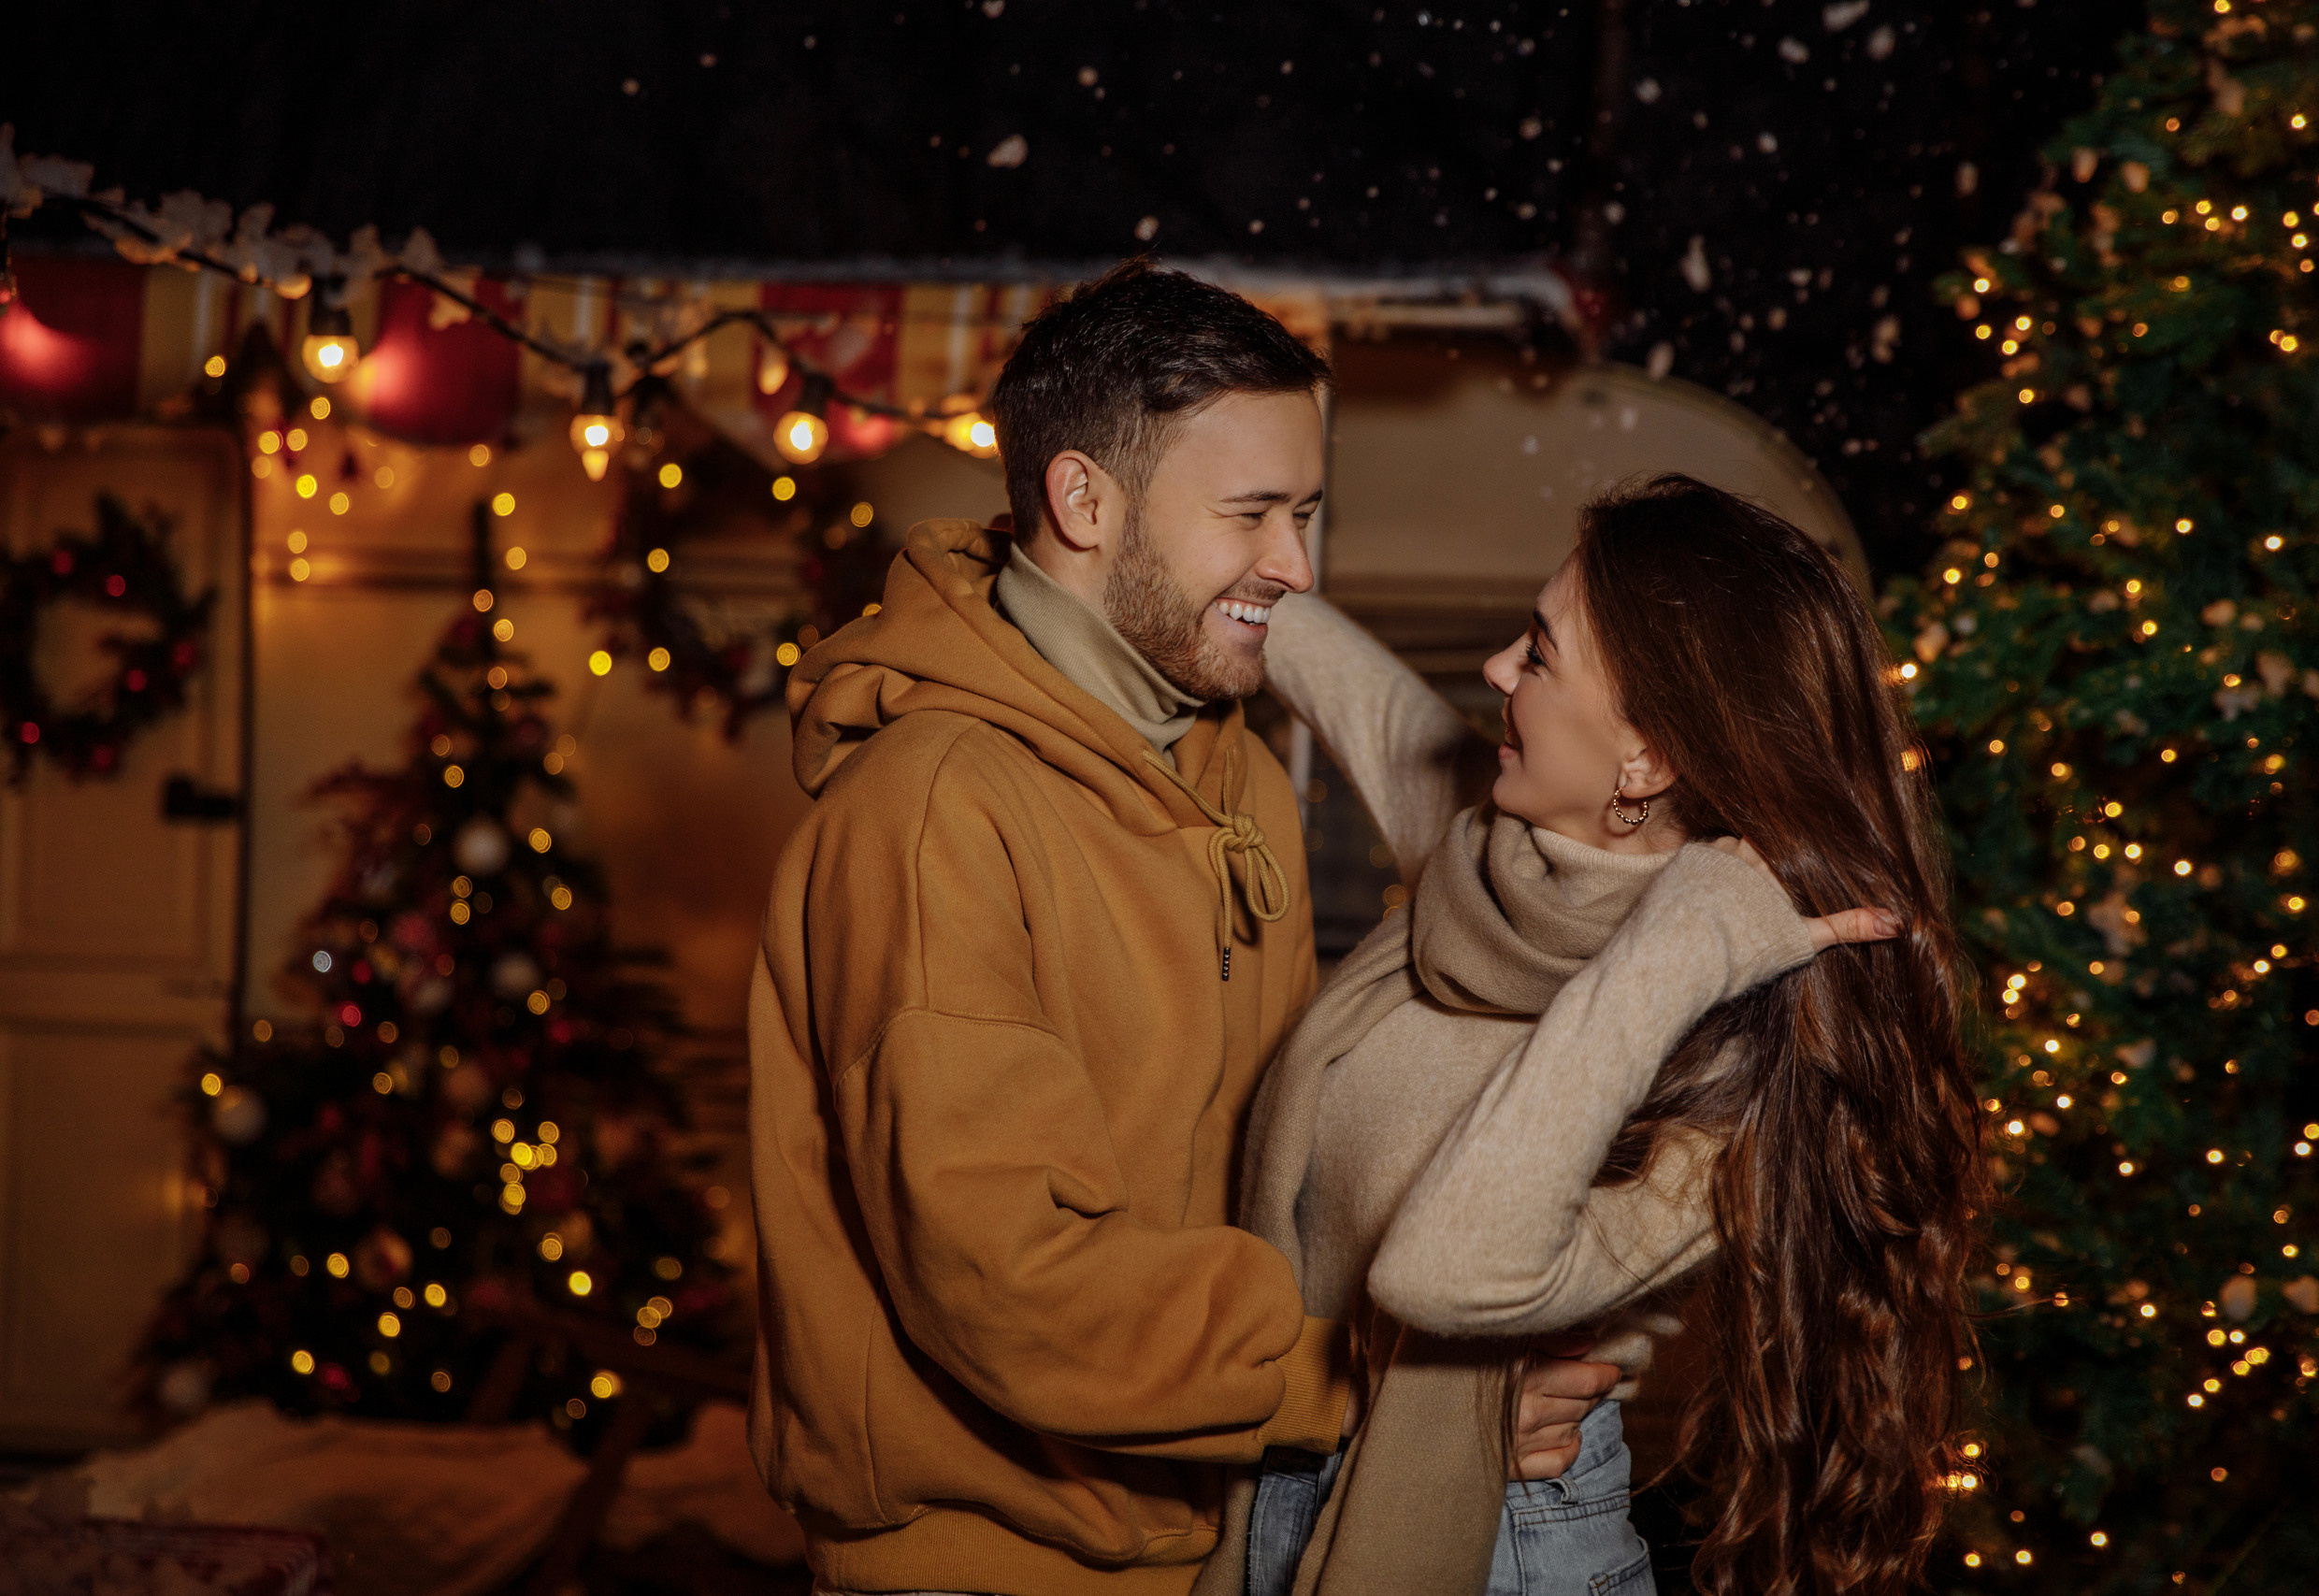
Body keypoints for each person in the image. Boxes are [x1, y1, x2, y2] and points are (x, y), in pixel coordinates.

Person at [745, 259, 1615, 1596]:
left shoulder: (1234, 774)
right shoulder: (931, 813)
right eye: (1252, 514)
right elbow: (1008, 1279)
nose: (1297, 568)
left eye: (1306, 513)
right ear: (1084, 499)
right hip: (995, 1565)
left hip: (1205, 1528)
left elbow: (1284, 1167)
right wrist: (1369, 1378)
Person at [1212, 476, 1983, 1596]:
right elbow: (1315, 653)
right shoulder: (1487, 865)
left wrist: (1674, 953)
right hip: (1281, 1476)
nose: (1494, 671)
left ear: (1646, 759)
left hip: (1505, 1546)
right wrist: (1104, 531)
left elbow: (1442, 1274)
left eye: (1537, 653)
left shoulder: (1733, 1061)